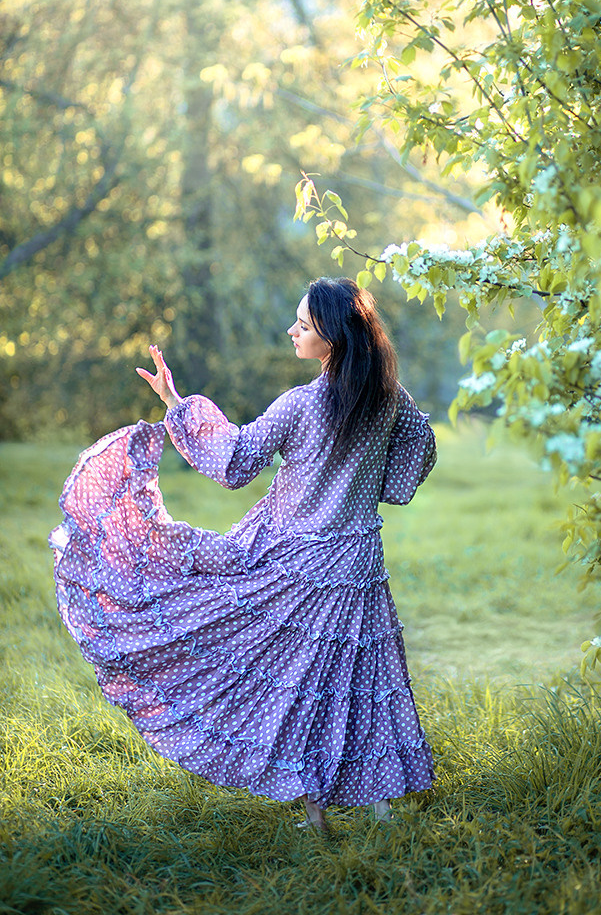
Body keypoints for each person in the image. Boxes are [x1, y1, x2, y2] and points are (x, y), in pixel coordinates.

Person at [50, 277, 437, 834]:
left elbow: (234, 462)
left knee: (300, 683)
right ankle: (380, 809)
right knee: (363, 676)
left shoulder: (301, 405)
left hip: (297, 564)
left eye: (303, 324)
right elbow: (409, 468)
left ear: (330, 336)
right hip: (359, 563)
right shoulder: (389, 398)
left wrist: (175, 405)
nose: (292, 330)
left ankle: (317, 813)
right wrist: (360, 482)